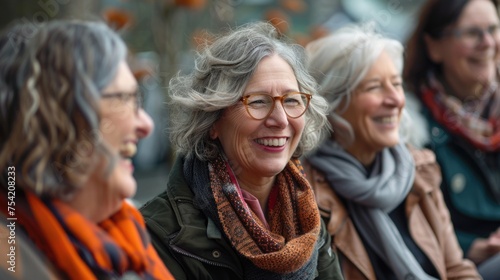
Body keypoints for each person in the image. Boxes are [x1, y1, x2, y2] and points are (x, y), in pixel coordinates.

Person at [140, 22, 344, 279]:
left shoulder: (306, 217)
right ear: (213, 120)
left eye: (292, 100)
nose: (280, 119)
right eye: (258, 101)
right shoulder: (158, 233)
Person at [303, 23, 480, 279]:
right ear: (333, 103)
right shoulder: (307, 193)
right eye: (374, 87)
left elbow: (455, 269)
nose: (396, 100)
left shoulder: (419, 167)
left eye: (396, 84)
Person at [0, 20, 173, 279]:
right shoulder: (13, 259)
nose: (147, 124)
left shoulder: (126, 237)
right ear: (60, 117)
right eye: (126, 99)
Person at [403, 0, 500, 278]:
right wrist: (468, 248)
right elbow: (410, 227)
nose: (488, 42)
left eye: (494, 29)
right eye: (472, 33)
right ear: (434, 47)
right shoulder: (410, 127)